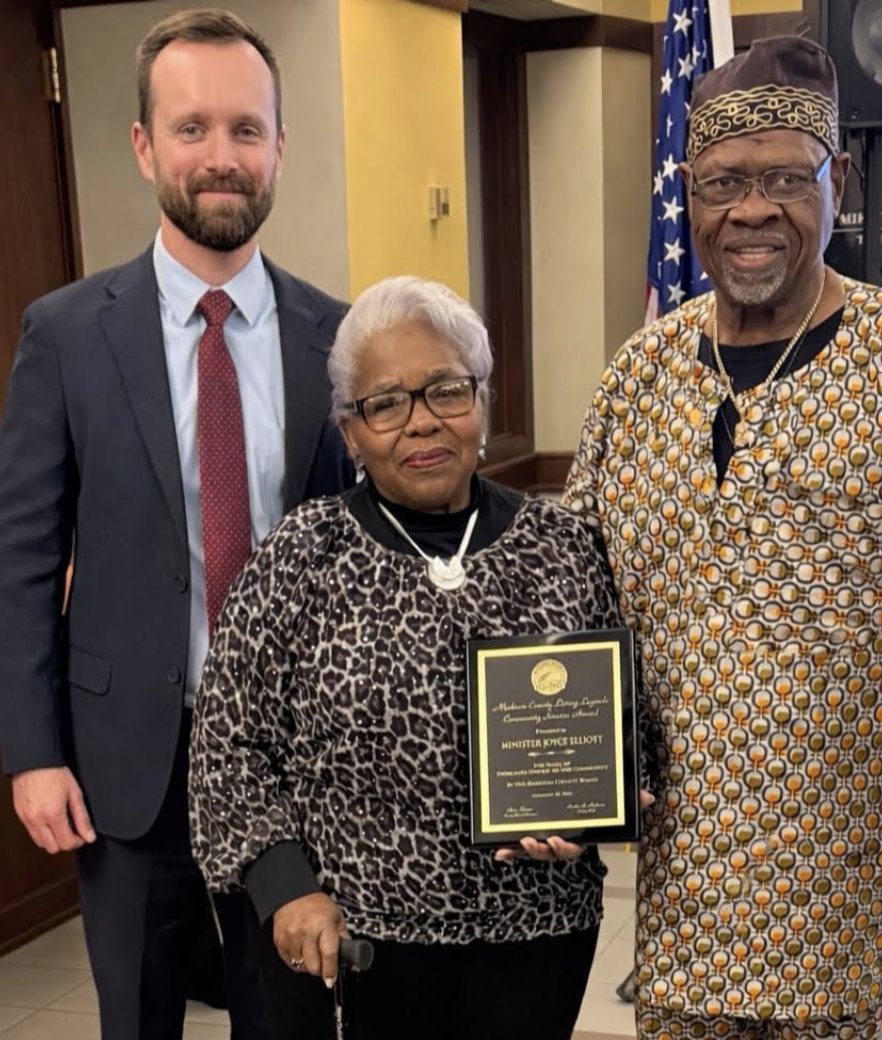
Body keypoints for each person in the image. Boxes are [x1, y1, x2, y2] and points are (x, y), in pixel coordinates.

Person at [564, 35, 882, 1040]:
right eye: (722, 182)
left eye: (782, 179)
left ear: (835, 181)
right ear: (688, 192)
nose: (751, 210)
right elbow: (573, 598)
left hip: (869, 928)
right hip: (689, 928)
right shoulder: (639, 378)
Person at [0, 9, 353, 1038]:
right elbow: (22, 558)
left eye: (247, 130)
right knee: (139, 1016)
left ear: (280, 147)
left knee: (284, 1015)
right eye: (192, 127)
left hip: (293, 762)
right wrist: (31, 751)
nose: (222, 156)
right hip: (123, 757)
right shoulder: (64, 335)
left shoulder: (333, 338)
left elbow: (353, 559)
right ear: (145, 144)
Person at [188, 276, 636, 1040]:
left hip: (533, 941)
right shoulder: (301, 557)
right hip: (349, 947)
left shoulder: (563, 548)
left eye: (446, 391)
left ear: (482, 403)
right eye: (386, 403)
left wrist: (602, 803)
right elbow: (226, 750)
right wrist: (286, 889)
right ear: (350, 431)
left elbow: (628, 717)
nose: (421, 422)